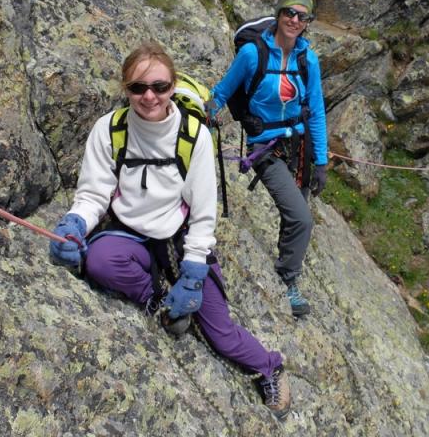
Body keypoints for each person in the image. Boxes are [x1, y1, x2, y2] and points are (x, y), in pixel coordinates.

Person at [48, 42, 291, 417]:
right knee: (97, 260)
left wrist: (194, 272)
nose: (149, 96)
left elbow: (204, 212)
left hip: (179, 240)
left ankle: (268, 366)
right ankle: (160, 300)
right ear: (125, 88)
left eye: (160, 87)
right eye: (138, 87)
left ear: (173, 87)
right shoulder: (109, 129)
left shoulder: (194, 136)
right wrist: (76, 223)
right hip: (129, 231)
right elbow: (94, 192)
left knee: (220, 333)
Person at [208, 0, 328, 317]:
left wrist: (321, 161)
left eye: (302, 16)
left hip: (300, 145)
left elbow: (316, 110)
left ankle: (289, 277)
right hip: (267, 148)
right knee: (302, 218)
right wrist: (204, 114)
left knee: (296, 218)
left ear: (307, 22)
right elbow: (222, 92)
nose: (294, 19)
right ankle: (288, 280)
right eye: (289, 12)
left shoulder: (308, 59)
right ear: (278, 13)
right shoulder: (253, 54)